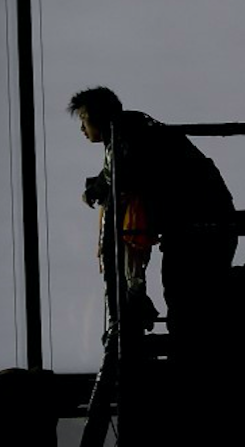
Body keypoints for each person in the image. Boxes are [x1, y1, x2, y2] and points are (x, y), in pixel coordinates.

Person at [68, 86, 237, 375]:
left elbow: (117, 174)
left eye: (83, 119)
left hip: (194, 229)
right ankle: (201, 363)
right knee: (198, 298)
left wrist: (96, 190)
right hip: (208, 224)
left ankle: (193, 368)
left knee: (185, 299)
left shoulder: (123, 132)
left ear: (98, 115)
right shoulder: (141, 128)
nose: (82, 128)